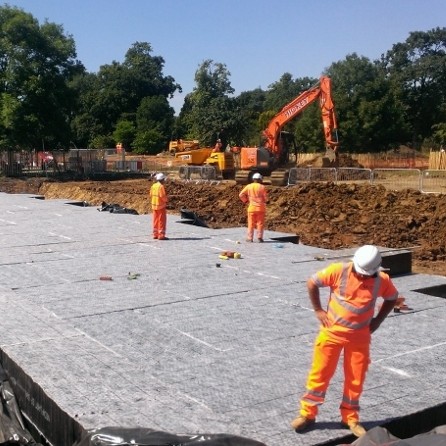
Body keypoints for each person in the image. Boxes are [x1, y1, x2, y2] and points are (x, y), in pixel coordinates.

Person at [291, 245, 399, 438]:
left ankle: (350, 417)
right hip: (331, 334)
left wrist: (378, 320)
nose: (364, 277)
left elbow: (392, 298)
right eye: (361, 273)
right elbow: (312, 283)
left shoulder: (381, 281)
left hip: (359, 338)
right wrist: (318, 310)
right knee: (319, 375)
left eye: (367, 274)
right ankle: (308, 414)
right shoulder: (338, 271)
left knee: (355, 379)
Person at [238, 173, 267, 242]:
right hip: (261, 208)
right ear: (260, 179)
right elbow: (266, 198)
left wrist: (245, 201)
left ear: (253, 179)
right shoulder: (262, 187)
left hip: (251, 208)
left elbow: (241, 195)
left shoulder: (249, 186)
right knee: (260, 223)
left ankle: (250, 238)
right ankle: (260, 237)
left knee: (251, 223)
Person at [149, 173, 168, 240]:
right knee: (161, 220)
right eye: (164, 180)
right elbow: (162, 196)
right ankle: (161, 235)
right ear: (162, 179)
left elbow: (150, 194)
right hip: (160, 206)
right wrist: (166, 200)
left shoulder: (153, 186)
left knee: (155, 220)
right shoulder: (161, 186)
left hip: (154, 206)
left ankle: (155, 234)